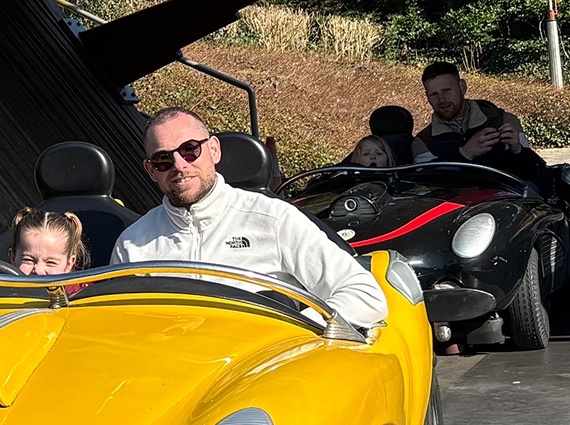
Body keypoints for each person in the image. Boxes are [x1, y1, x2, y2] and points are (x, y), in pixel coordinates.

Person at [111, 108, 389, 329]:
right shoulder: (132, 245)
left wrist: (295, 334)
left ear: (214, 150)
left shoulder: (273, 218)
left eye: (190, 149)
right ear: (150, 170)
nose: (180, 166)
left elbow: (364, 294)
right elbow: (119, 328)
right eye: (163, 159)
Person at [412, 62, 550, 188]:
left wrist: (517, 149)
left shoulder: (503, 120)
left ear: (462, 87)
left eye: (447, 91)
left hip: (508, 202)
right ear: (427, 96)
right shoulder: (423, 142)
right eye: (433, 94)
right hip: (459, 210)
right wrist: (465, 154)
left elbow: (533, 175)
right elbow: (429, 187)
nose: (442, 100)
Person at [7, 207, 87, 276]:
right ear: (12, 257)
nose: (39, 271)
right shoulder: (1, 291)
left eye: (51, 262)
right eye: (28, 260)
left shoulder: (87, 293)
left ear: (69, 264)